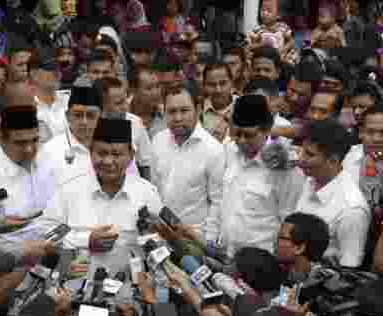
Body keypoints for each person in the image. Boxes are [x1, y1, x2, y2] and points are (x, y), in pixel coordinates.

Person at [37, 117, 162, 274]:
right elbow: (45, 234)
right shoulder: (69, 191)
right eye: (102, 153)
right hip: (75, 291)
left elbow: (161, 243)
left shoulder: (147, 194)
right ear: (90, 152)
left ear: (131, 155)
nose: (109, 161)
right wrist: (86, 240)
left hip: (131, 291)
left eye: (116, 154)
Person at [218, 94, 302, 256]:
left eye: (249, 135)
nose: (241, 140)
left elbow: (289, 220)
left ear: (267, 129)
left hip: (260, 262)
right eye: (236, 134)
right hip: (225, 254)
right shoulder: (229, 152)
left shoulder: (284, 168)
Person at [152, 83, 226, 246]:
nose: (178, 118)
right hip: (160, 237)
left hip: (194, 241)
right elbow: (154, 188)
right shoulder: (158, 141)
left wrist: (208, 242)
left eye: (184, 111)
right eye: (171, 111)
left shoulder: (213, 150)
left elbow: (218, 201)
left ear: (198, 109)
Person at [0, 105, 52, 255]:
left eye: (34, 140)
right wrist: (22, 252)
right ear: (2, 140)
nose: (29, 149)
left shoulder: (47, 164)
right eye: (21, 143)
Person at [293, 119, 371, 268]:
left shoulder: (352, 210)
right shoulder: (310, 179)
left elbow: (349, 268)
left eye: (309, 154)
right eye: (302, 150)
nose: (301, 158)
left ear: (333, 160)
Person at [100, 76, 154, 177]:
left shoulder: (135, 122)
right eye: (118, 103)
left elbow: (146, 164)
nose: (125, 107)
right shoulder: (89, 129)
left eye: (125, 100)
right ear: (102, 105)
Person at [277, 211, 330, 282]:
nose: (276, 242)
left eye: (282, 237)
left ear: (299, 248)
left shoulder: (327, 285)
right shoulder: (278, 273)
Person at [32, 59, 69, 145]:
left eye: (59, 69)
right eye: (50, 69)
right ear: (34, 74)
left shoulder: (70, 99)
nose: (57, 73)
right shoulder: (25, 107)